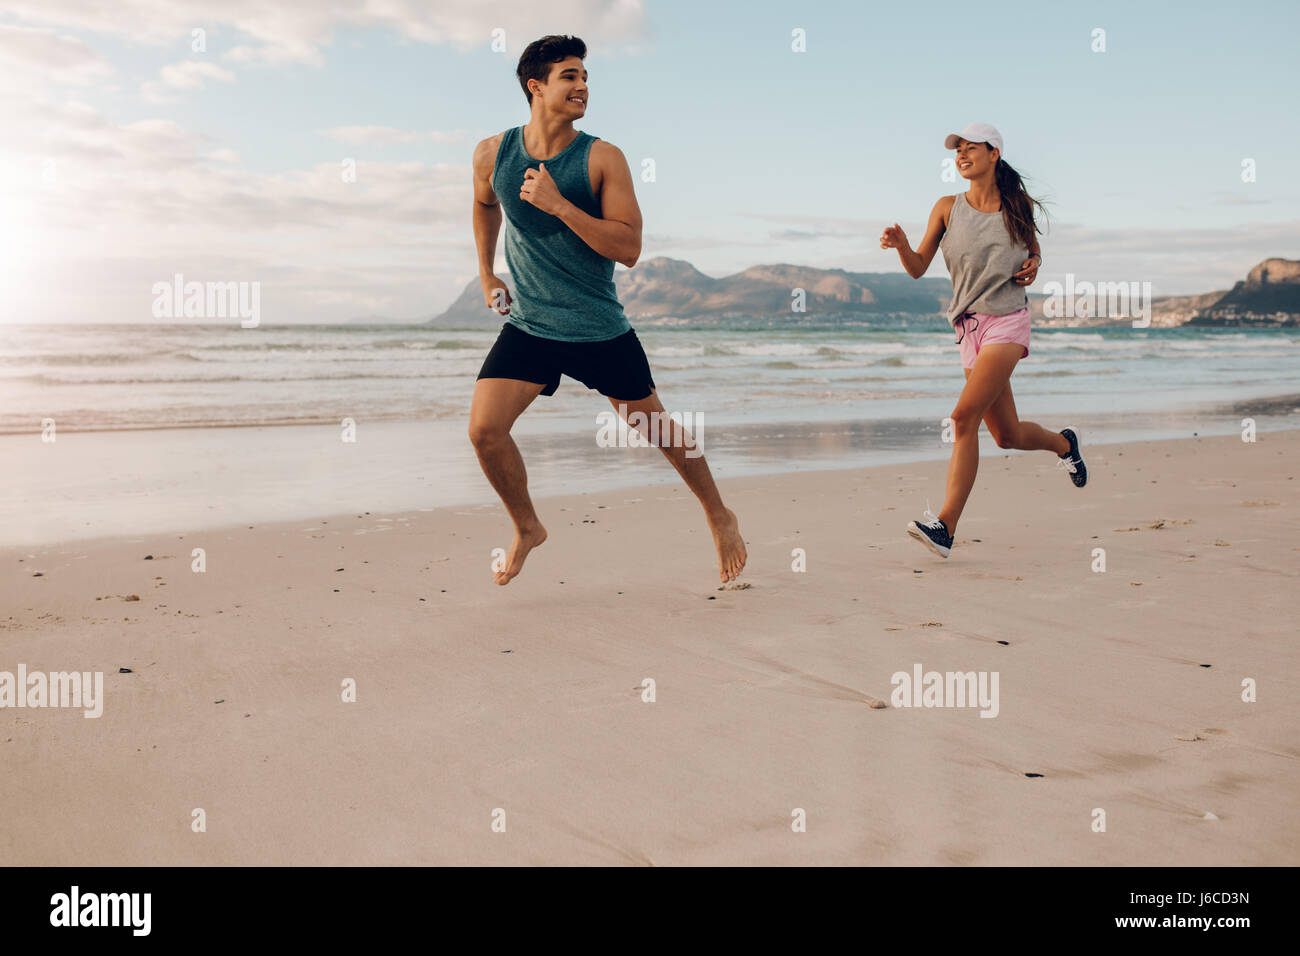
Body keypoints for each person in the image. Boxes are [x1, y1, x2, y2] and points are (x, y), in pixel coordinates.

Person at [468, 34, 746, 585]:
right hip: (532, 325)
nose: (582, 87)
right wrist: (485, 271)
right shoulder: (493, 153)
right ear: (536, 86)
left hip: (597, 328)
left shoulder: (601, 157)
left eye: (585, 77)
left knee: (658, 429)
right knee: (485, 430)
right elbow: (483, 204)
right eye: (569, 76)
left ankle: (719, 512)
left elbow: (629, 249)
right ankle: (527, 528)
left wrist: (559, 204)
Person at [880, 123, 1086, 558]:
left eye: (971, 149)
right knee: (1006, 435)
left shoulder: (1017, 205)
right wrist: (901, 245)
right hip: (968, 328)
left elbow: (1032, 253)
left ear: (994, 154)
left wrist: (1035, 263)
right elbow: (918, 267)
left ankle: (946, 527)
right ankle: (1065, 444)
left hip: (1007, 321)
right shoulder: (946, 208)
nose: (961, 156)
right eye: (958, 151)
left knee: (961, 418)